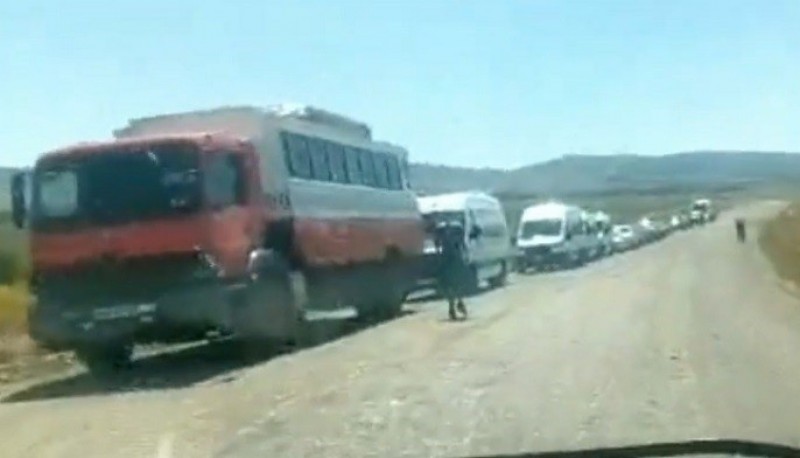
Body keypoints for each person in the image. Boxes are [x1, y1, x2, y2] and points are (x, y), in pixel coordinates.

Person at [434, 220, 469, 321]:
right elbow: (463, 247)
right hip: (453, 262)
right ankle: (457, 304)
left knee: (450, 286)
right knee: (456, 284)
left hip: (448, 262)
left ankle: (454, 306)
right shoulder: (457, 233)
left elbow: (437, 246)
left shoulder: (442, 234)